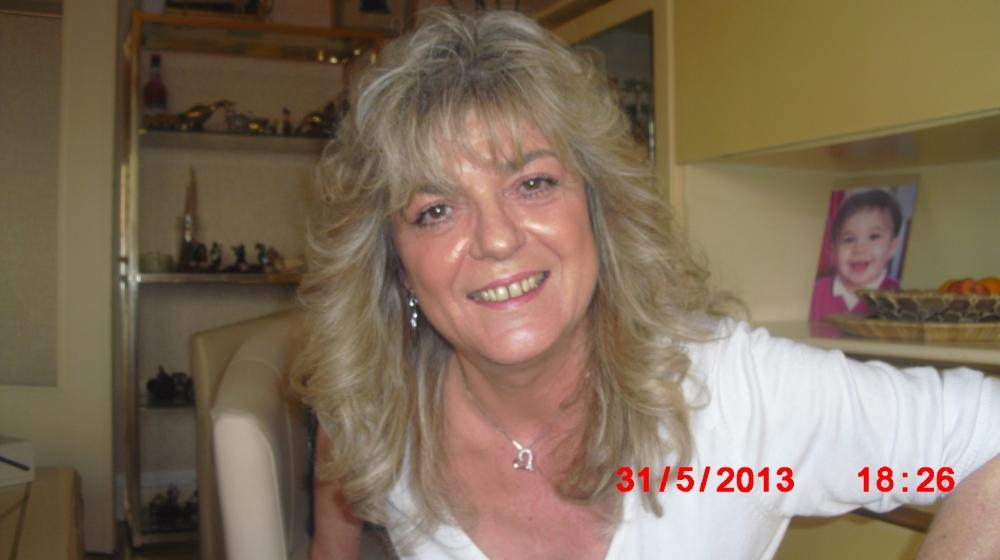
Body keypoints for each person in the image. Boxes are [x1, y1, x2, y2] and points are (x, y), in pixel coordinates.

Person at [292, 9, 1000, 559]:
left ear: (599, 210)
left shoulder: (735, 403)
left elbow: (985, 440)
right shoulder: (381, 415)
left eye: (533, 183)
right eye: (436, 210)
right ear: (394, 263)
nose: (497, 238)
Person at [810, 189, 904, 321]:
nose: (859, 249)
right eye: (849, 239)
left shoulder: (900, 296)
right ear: (833, 250)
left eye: (873, 237)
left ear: (891, 247)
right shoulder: (814, 293)